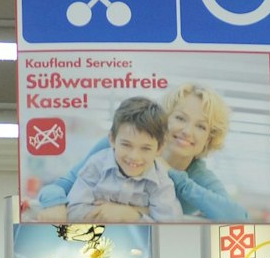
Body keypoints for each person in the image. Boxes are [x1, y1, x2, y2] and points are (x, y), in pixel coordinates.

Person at [34, 83, 246, 222]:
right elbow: (59, 186)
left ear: (210, 137)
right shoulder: (115, 149)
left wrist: (133, 213)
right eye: (180, 118)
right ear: (164, 120)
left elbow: (238, 218)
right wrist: (54, 204)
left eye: (201, 126)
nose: (187, 131)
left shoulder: (198, 176)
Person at [66, 95, 181, 224]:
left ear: (159, 148)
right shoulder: (96, 165)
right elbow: (74, 211)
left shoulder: (161, 183)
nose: (134, 156)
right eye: (126, 145)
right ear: (112, 139)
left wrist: (131, 215)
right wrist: (144, 211)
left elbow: (169, 225)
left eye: (145, 148)